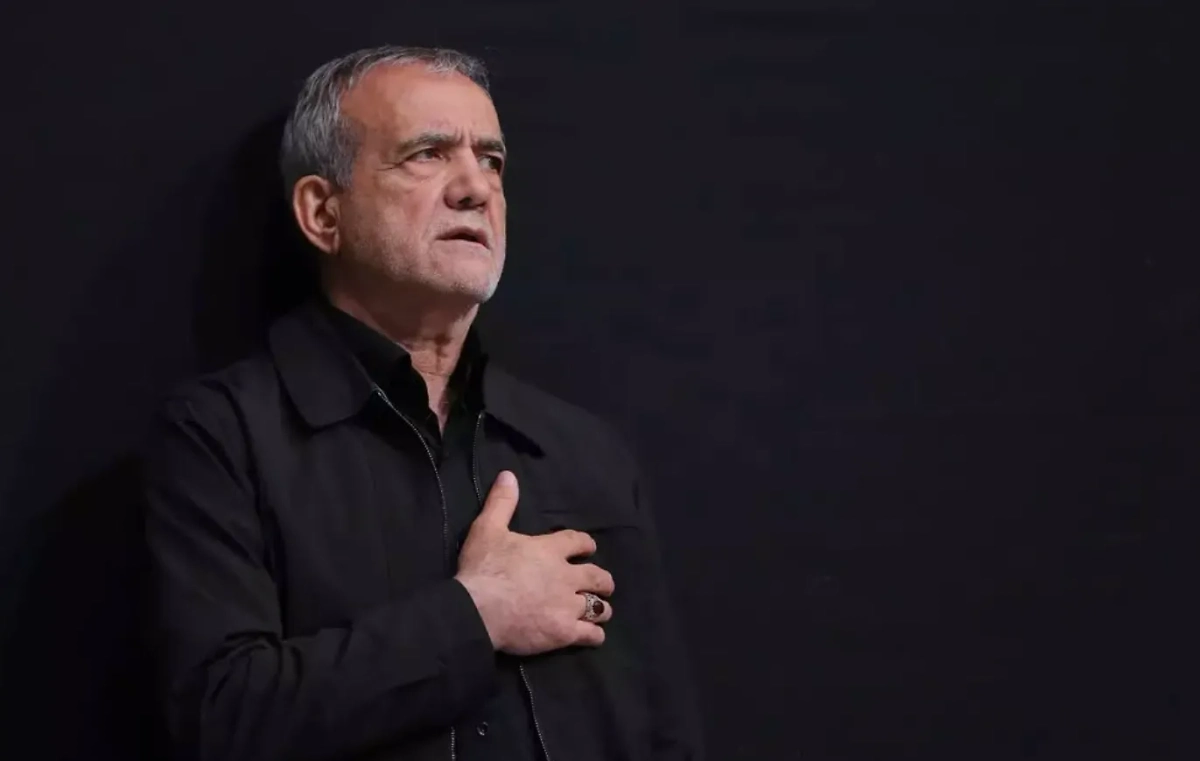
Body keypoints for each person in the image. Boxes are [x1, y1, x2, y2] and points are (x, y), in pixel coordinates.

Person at [142, 45, 703, 761]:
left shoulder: (585, 450)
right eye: (427, 155)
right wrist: (480, 614)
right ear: (322, 213)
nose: (476, 188)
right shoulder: (221, 434)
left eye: (491, 161)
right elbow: (224, 717)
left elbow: (664, 728)